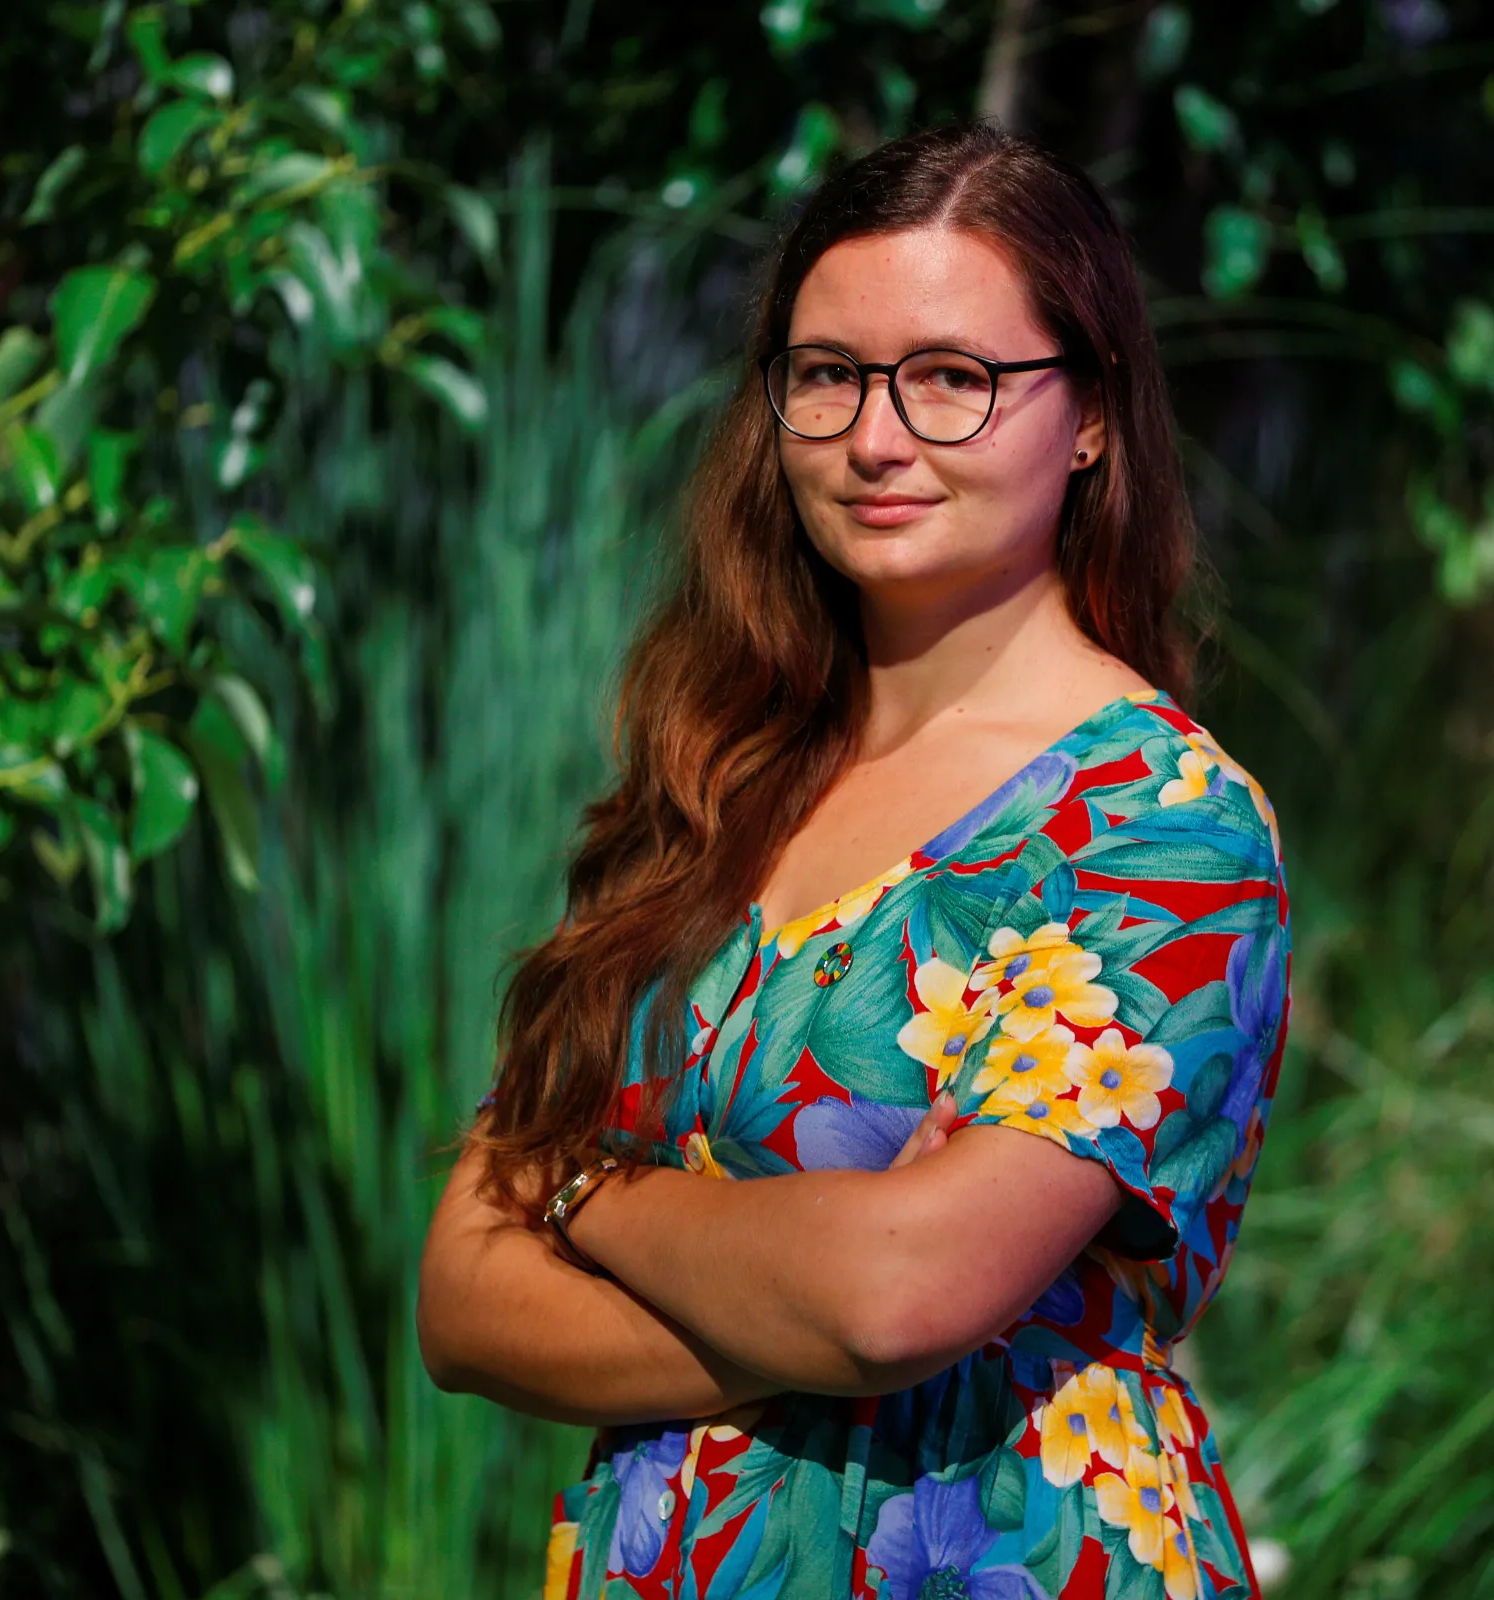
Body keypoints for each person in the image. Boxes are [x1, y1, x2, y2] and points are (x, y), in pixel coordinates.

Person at [417, 121, 1291, 1600]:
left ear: (1089, 415)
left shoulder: (1164, 828)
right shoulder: (712, 777)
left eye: (954, 378)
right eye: (827, 377)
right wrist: (796, 1300)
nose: (878, 438)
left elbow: (897, 1296)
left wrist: (586, 1196)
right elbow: (461, 1299)